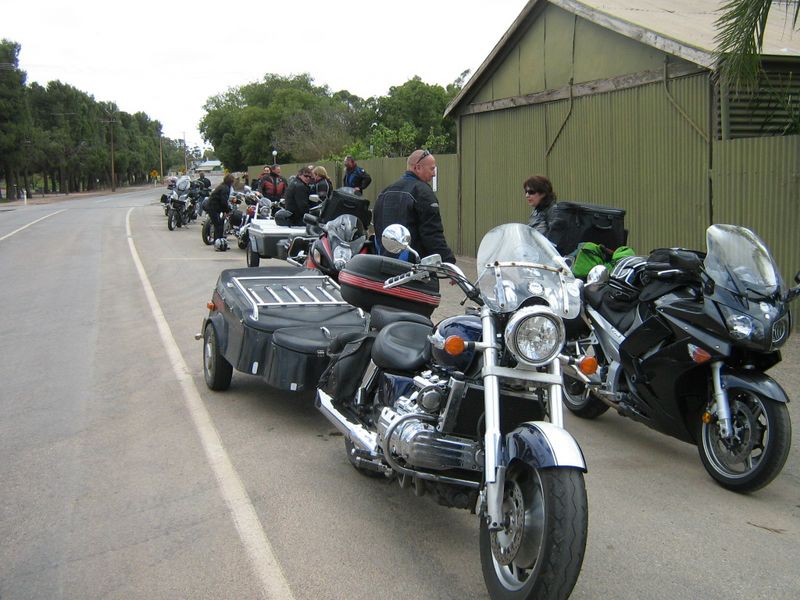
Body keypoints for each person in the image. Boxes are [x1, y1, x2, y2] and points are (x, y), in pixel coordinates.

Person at [373, 149, 455, 264]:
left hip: (386, 265)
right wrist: (448, 261)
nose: (434, 174)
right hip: (415, 267)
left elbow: (378, 230)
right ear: (418, 168)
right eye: (432, 169)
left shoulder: (385, 192)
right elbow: (432, 234)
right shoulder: (423, 192)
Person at [207, 173, 235, 250]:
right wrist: (227, 210)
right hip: (214, 208)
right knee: (218, 226)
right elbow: (224, 201)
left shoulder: (222, 186)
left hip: (213, 207)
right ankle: (218, 244)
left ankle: (219, 243)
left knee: (219, 225)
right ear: (231, 182)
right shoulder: (225, 188)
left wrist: (225, 210)